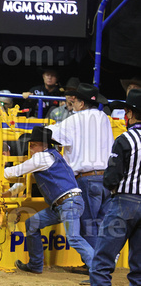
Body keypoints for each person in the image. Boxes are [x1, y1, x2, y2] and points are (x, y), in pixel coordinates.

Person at [2, 126, 94, 274]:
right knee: (32, 224)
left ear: (43, 145)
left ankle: (99, 270)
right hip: (65, 203)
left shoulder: (42, 157)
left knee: (74, 238)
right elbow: (25, 180)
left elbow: (15, 171)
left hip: (67, 203)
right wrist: (10, 191)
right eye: (31, 146)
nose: (31, 149)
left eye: (34, 145)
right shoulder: (53, 156)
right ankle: (35, 265)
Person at [89, 89, 141, 286]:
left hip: (123, 204)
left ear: (129, 114)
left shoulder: (124, 140)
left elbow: (111, 178)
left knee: (101, 265)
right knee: (139, 272)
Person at [47, 83, 114, 254]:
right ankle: (103, 265)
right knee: (100, 224)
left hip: (87, 178)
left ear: (81, 104)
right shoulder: (104, 118)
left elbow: (50, 133)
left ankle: (94, 269)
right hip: (106, 178)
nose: (73, 104)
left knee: (89, 225)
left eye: (75, 101)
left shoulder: (74, 120)